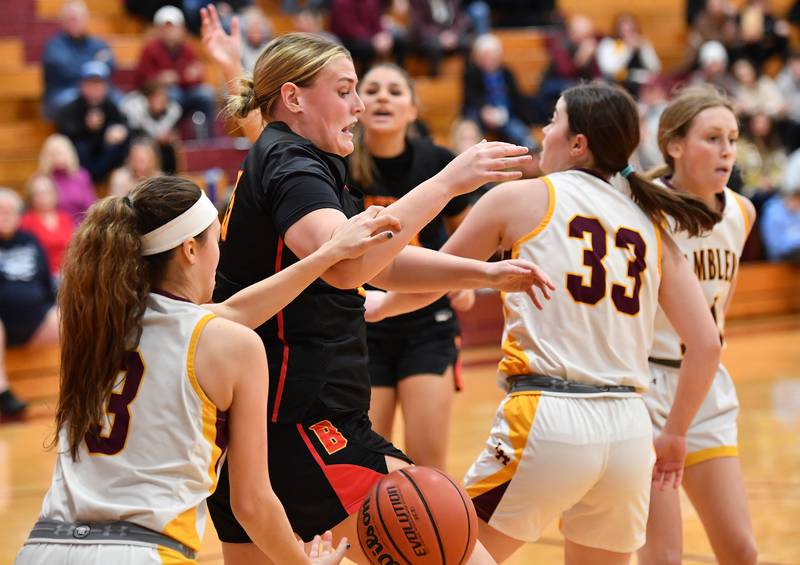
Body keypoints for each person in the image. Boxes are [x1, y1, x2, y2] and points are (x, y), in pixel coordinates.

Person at [200, 9, 553, 563]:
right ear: (293, 98)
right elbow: (342, 263)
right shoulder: (291, 163)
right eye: (345, 91)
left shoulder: (297, 158)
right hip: (305, 422)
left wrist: (481, 274)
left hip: (277, 420)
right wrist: (446, 183)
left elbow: (376, 264)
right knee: (459, 550)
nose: (360, 106)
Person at [366, 82, 723, 565]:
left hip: (549, 416)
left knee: (446, 551)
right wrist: (676, 432)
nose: (544, 131)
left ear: (579, 143)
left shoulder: (522, 198)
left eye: (553, 120)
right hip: (630, 430)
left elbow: (437, 277)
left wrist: (383, 303)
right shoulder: (648, 222)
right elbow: (706, 344)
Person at [15, 175, 408, 564]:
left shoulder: (97, 327)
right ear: (189, 250)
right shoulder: (232, 346)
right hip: (144, 551)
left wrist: (327, 254)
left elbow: (235, 310)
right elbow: (251, 503)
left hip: (43, 545)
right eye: (215, 239)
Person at [635, 85, 759, 565]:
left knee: (741, 550)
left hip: (704, 385)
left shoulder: (743, 212)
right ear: (674, 144)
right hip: (645, 386)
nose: (727, 150)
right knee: (663, 557)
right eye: (712, 138)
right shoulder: (643, 210)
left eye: (732, 138)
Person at [349, 63, 475, 470]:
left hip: (427, 321)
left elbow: (468, 230)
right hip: (361, 325)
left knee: (427, 464)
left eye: (395, 90)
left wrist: (465, 276)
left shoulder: (438, 160)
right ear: (355, 104)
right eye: (372, 89)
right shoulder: (340, 163)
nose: (383, 96)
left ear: (413, 110)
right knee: (371, 462)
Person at [0, 189, 60, 418]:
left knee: (72, 319)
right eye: (0, 211)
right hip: (3, 323)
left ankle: (85, 389)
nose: (5, 216)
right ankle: (3, 393)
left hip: (36, 320)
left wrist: (54, 305)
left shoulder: (31, 240)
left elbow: (46, 281)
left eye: (9, 211)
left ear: (19, 215)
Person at [134, 6, 217, 139]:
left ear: (182, 29)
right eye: (165, 28)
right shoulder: (149, 50)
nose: (170, 32)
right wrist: (167, 78)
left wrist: (174, 77)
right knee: (173, 95)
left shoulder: (188, 49)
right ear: (158, 30)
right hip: (163, 96)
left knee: (206, 94)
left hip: (187, 92)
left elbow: (197, 76)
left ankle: (208, 141)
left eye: (173, 27)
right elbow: (144, 80)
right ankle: (173, 139)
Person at [55, 61, 130, 183]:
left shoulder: (112, 106)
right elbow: (63, 133)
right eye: (90, 83)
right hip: (80, 160)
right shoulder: (71, 107)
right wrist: (86, 127)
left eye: (99, 83)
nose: (95, 88)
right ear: (82, 85)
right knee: (80, 147)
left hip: (105, 157)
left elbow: (124, 125)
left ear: (106, 86)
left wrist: (121, 131)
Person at [42, 0, 116, 120]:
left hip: (98, 90)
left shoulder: (98, 43)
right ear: (62, 22)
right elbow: (65, 70)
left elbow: (110, 65)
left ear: (86, 20)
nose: (75, 23)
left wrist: (82, 67)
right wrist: (93, 64)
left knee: (122, 102)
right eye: (71, 19)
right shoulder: (54, 46)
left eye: (78, 18)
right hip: (66, 91)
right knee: (73, 104)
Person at [462, 34, 536, 149]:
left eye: (492, 57)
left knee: (518, 131)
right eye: (485, 57)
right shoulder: (471, 73)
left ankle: (529, 149)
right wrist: (484, 110)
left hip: (506, 114)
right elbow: (470, 97)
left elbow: (516, 97)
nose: (489, 61)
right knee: (472, 125)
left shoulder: (506, 72)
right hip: (482, 112)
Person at [20, 175, 73, 280]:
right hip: (43, 275)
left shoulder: (65, 217)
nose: (43, 197)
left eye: (47, 192)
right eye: (38, 193)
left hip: (68, 272)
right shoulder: (25, 221)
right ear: (31, 197)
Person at [36, 134, 96, 225]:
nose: (57, 157)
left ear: (69, 153)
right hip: (54, 229)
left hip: (81, 228)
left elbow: (91, 205)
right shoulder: (41, 179)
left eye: (61, 153)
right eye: (53, 154)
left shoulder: (81, 175)